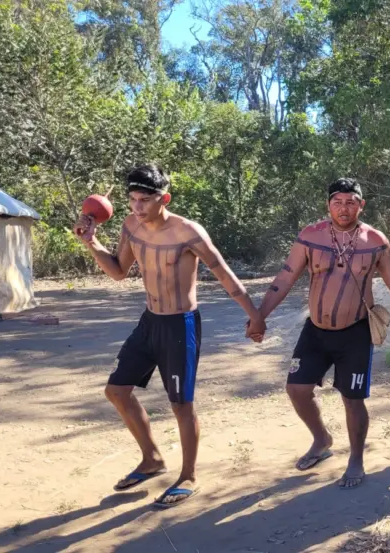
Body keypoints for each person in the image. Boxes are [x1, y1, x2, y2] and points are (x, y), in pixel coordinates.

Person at [74, 164, 266, 508]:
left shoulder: (188, 232)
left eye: (144, 200)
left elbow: (224, 274)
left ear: (164, 198)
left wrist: (255, 316)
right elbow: (118, 272)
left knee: (181, 404)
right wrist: (91, 242)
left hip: (181, 325)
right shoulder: (131, 225)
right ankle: (151, 459)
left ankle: (188, 475)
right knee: (116, 391)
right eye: (132, 200)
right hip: (150, 322)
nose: (137, 207)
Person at [256, 178, 390, 489]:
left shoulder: (375, 241)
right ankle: (322, 439)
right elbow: (285, 277)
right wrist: (260, 316)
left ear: (361, 205)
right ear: (328, 205)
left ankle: (356, 459)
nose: (344, 207)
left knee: (352, 399)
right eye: (337, 201)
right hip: (316, 331)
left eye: (351, 201)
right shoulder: (311, 236)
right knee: (297, 389)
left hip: (355, 333)